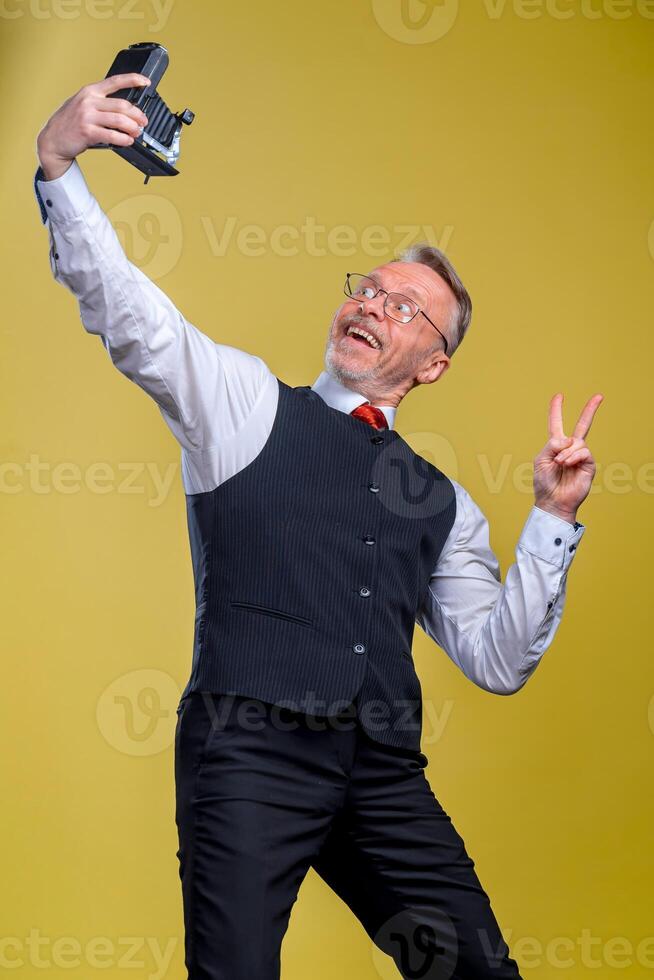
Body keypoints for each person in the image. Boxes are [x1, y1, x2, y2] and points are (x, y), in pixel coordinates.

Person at [34, 74, 603, 980]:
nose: (374, 304)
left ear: (435, 365)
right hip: (247, 751)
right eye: (369, 289)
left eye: (405, 306)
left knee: (479, 973)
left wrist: (551, 520)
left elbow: (499, 661)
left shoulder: (445, 501)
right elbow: (132, 314)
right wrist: (60, 168)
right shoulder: (245, 406)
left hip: (379, 775)